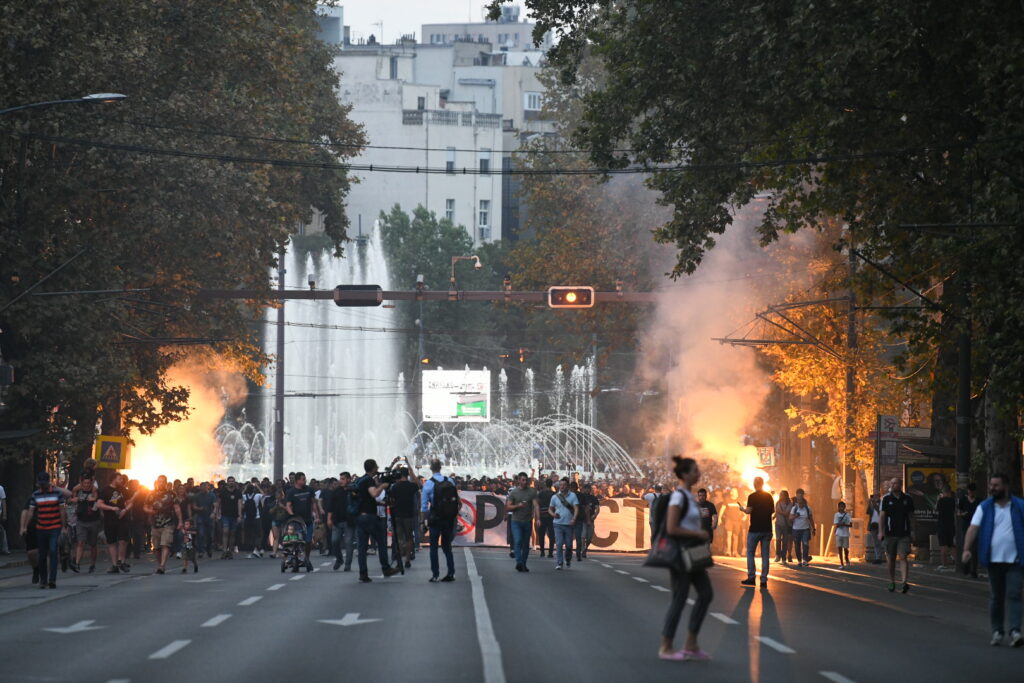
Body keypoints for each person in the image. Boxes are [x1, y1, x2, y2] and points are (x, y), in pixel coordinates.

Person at [659, 456, 714, 662]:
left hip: (694, 552)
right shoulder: (678, 497)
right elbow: (672, 528)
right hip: (681, 553)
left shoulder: (690, 497)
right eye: (694, 470)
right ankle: (666, 646)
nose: (698, 473)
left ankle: (691, 643)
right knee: (680, 597)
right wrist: (698, 534)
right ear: (684, 474)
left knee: (706, 594)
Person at [962, 473, 1024, 647]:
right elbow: (973, 529)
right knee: (997, 596)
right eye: (991, 485)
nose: (992, 488)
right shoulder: (985, 507)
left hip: (1015, 561)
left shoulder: (1019, 506)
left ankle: (1015, 631)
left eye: (996, 485)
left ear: (1006, 486)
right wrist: (966, 549)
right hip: (993, 560)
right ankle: (997, 630)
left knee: (1014, 594)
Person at [356, 459, 400, 583]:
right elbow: (374, 493)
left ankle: (363, 573)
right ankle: (386, 568)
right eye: (377, 466)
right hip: (369, 517)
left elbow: (366, 498)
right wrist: (383, 486)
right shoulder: (369, 480)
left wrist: (381, 503)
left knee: (362, 547)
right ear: (373, 468)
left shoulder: (360, 480)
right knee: (381, 541)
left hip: (360, 516)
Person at [25, 472, 65, 589]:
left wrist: (64, 527)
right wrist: (25, 527)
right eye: (40, 483)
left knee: (53, 551)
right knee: (42, 555)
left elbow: (61, 510)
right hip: (41, 528)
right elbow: (31, 512)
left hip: (54, 527)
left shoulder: (57, 493)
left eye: (44, 483)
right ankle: (43, 580)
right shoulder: (36, 495)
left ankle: (52, 580)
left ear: (48, 482)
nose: (42, 485)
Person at [422, 459, 458, 582]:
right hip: (448, 518)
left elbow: (424, 506)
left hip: (435, 518)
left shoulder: (428, 484)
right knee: (447, 546)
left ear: (431, 468)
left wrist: (424, 521)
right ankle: (451, 572)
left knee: (433, 547)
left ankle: (435, 574)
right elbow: (456, 499)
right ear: (441, 467)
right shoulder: (450, 481)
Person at [879, 478, 915, 593]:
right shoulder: (886, 499)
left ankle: (904, 582)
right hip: (890, 534)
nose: (895, 485)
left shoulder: (908, 499)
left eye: (897, 483)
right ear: (890, 485)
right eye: (893, 483)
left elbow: (911, 516)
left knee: (903, 556)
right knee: (891, 559)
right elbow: (882, 516)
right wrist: (881, 531)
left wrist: (913, 531)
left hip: (904, 534)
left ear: (901, 485)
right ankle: (892, 581)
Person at [96, 472, 132, 573]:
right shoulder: (105, 490)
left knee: (122, 540)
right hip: (109, 520)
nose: (122, 480)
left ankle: (121, 560)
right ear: (114, 479)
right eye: (120, 479)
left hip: (122, 519)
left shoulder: (124, 490)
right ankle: (114, 565)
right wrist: (111, 508)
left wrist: (125, 510)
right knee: (111, 542)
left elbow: (130, 503)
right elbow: (99, 504)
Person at [741, 477, 774, 588]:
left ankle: (751, 578)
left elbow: (749, 511)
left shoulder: (752, 496)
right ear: (763, 484)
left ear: (755, 484)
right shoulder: (769, 496)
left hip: (755, 529)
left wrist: (743, 509)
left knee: (750, 553)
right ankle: (764, 580)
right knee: (765, 555)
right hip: (767, 529)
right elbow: (771, 512)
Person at [145, 475, 182, 575]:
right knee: (156, 547)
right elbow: (145, 506)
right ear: (157, 482)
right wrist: (150, 511)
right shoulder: (151, 494)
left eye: (163, 481)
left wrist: (180, 521)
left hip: (168, 522)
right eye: (160, 481)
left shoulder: (171, 494)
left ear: (166, 482)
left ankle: (162, 566)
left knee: (165, 544)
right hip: (155, 524)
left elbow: (177, 508)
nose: (161, 483)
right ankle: (160, 564)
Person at [284, 472, 319, 572]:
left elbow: (313, 503)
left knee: (308, 541)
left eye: (305, 479)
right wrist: (291, 514)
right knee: (295, 541)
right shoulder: (291, 492)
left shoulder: (309, 490)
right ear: (297, 480)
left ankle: (307, 558)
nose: (304, 481)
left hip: (308, 520)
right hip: (296, 521)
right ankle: (294, 558)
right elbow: (288, 505)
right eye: (303, 479)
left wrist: (316, 515)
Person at [506, 472, 539, 572]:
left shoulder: (532, 492)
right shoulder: (514, 492)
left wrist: (538, 518)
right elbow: (508, 507)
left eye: (526, 480)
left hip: (527, 521)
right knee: (518, 540)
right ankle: (519, 562)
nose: (524, 482)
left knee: (525, 544)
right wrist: (518, 506)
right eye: (523, 480)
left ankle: (523, 564)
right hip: (516, 521)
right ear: (519, 480)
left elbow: (536, 505)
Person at [70, 473, 101, 573]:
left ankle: (92, 564)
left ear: (91, 483)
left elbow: (98, 500)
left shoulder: (95, 491)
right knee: (80, 542)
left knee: (93, 544)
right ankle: (77, 563)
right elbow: (71, 498)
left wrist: (94, 499)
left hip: (93, 521)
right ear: (81, 483)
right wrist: (73, 499)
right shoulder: (78, 490)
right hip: (81, 521)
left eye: (89, 483)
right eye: (85, 483)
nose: (87, 485)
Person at [388, 468, 419, 569]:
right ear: (407, 475)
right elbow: (420, 485)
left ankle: (400, 558)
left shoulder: (395, 487)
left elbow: (391, 500)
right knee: (409, 537)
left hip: (397, 515)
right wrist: (412, 474)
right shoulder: (412, 486)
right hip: (409, 515)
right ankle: (408, 559)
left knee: (399, 538)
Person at [327, 472, 356, 571]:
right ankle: (339, 559)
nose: (341, 481)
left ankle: (348, 564)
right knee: (334, 541)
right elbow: (330, 506)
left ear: (348, 479)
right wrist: (329, 518)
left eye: (343, 479)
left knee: (349, 543)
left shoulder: (353, 490)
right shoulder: (336, 491)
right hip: (337, 521)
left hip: (349, 521)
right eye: (340, 479)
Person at [548, 478, 579, 570]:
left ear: (568, 486)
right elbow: (550, 509)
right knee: (559, 543)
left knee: (569, 545)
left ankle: (568, 559)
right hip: (557, 523)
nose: (562, 487)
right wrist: (553, 514)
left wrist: (574, 518)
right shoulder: (555, 497)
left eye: (564, 485)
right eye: (560, 485)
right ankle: (559, 562)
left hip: (569, 524)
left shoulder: (573, 496)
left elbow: (576, 508)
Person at [215, 477, 242, 559]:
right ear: (227, 482)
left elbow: (239, 503)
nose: (231, 483)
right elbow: (218, 503)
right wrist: (217, 513)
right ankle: (224, 551)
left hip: (234, 515)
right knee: (225, 532)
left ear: (234, 482)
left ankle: (230, 551)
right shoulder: (223, 491)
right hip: (225, 515)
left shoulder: (238, 492)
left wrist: (240, 515)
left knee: (232, 534)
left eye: (232, 481)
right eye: (229, 481)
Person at [959, 483, 981, 578]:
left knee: (975, 549)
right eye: (969, 491)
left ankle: (973, 570)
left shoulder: (979, 501)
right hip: (966, 526)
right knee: (966, 547)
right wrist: (962, 514)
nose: (971, 493)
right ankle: (966, 567)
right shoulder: (963, 500)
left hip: (976, 526)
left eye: (972, 491)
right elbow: (958, 512)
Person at [190, 482, 217, 558]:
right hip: (200, 516)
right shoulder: (197, 496)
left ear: (208, 487)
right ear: (200, 488)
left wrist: (213, 513)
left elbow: (215, 505)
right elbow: (194, 506)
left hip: (209, 516)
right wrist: (199, 508)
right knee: (200, 534)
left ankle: (209, 549)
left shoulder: (212, 495)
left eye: (206, 486)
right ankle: (200, 551)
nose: (204, 488)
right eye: (203, 487)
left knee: (210, 535)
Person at [789, 489, 815, 567]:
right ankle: (799, 560)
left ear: (804, 502)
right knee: (797, 545)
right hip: (796, 529)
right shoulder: (794, 508)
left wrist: (813, 529)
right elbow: (790, 518)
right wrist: (795, 516)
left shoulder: (808, 509)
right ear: (797, 502)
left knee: (805, 544)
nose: (800, 504)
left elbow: (811, 519)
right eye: (799, 502)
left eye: (801, 503)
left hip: (805, 529)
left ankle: (805, 560)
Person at [241, 482, 264, 558]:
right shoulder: (257, 496)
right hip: (256, 517)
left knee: (248, 535)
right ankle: (256, 548)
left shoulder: (244, 496)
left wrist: (244, 489)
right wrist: (258, 487)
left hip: (247, 518)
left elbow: (240, 496)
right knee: (258, 534)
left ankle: (248, 552)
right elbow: (263, 494)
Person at [936, 485, 956, 571]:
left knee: (943, 545)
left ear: (943, 492)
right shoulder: (953, 501)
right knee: (951, 545)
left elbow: (936, 508)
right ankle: (957, 562)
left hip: (942, 525)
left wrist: (938, 499)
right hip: (951, 525)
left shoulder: (941, 500)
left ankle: (944, 564)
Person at [536, 479, 555, 558]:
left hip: (542, 515)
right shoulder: (554, 494)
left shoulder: (541, 494)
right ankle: (550, 552)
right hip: (551, 516)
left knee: (541, 534)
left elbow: (537, 505)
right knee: (551, 535)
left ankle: (542, 551)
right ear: (551, 484)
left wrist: (538, 517)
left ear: (545, 484)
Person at [581, 483, 600, 558]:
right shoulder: (581, 497)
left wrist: (595, 515)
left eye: (589, 488)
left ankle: (585, 548)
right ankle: (583, 549)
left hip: (591, 520)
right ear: (584, 489)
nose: (588, 490)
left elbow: (598, 508)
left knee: (589, 537)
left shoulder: (593, 498)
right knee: (583, 536)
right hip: (583, 519)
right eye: (586, 488)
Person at [866, 492, 886, 564]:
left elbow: (879, 511)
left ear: (879, 496)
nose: (874, 498)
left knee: (882, 542)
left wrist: (873, 503)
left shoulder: (882, 503)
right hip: (873, 525)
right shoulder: (871, 504)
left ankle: (883, 556)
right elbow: (867, 512)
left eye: (876, 496)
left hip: (880, 525)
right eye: (874, 496)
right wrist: (869, 503)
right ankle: (878, 558)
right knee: (876, 543)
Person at [773, 490, 792, 563]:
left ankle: (783, 557)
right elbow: (776, 512)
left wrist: (778, 511)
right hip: (778, 524)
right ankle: (778, 555)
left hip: (786, 525)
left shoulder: (789, 504)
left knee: (785, 541)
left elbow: (786, 513)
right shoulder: (777, 503)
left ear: (786, 496)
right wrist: (774, 516)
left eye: (782, 495)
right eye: (780, 495)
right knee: (778, 540)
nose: (781, 496)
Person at [833, 501, 852, 569]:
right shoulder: (836, 515)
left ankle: (846, 558)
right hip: (839, 533)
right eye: (840, 506)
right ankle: (841, 563)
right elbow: (836, 523)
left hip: (845, 533)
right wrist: (839, 524)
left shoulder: (848, 515)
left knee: (845, 548)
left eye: (842, 506)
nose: (841, 508)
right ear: (838, 507)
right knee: (839, 548)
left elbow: (850, 524)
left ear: (844, 507)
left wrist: (844, 524)